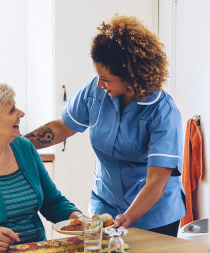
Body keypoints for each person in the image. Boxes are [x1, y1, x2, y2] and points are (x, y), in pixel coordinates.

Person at [25, 14, 186, 237]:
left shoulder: (163, 112)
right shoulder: (97, 89)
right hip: (106, 206)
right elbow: (63, 127)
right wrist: (19, 144)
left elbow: (157, 181)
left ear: (131, 76)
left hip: (153, 215)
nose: (100, 83)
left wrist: (127, 218)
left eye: (106, 79)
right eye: (98, 76)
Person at [0, 77, 83, 252]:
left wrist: (79, 218)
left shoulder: (24, 147)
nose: (21, 113)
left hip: (36, 252)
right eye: (12, 110)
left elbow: (53, 203)